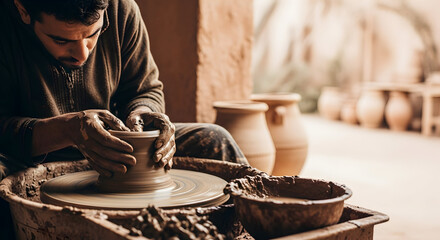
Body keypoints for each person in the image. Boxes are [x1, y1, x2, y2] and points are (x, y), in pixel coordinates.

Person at [0, 0, 248, 238]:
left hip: (117, 151)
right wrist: (64, 130)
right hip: (27, 158)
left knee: (215, 139)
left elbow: (144, 90)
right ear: (22, 9)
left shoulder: (120, 9)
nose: (82, 54)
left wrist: (143, 112)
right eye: (61, 40)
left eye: (93, 34)